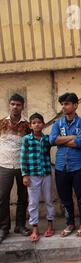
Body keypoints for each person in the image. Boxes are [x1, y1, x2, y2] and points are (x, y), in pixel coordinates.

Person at [49, 93, 81, 237]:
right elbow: (52, 140)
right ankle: (70, 223)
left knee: (80, 197)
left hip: (77, 165)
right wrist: (72, 137)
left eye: (66, 104)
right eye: (62, 104)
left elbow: (80, 142)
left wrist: (64, 140)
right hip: (60, 166)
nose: (64, 107)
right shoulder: (58, 123)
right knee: (65, 197)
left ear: (75, 105)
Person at [0, 94, 31, 243]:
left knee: (23, 197)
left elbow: (31, 145)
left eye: (18, 104)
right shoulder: (1, 123)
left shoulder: (28, 125)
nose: (15, 107)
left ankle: (20, 225)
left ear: (22, 106)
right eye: (12, 104)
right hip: (4, 165)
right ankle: (3, 228)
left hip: (22, 166)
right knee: (2, 197)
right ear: (9, 105)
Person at [21, 113, 55, 242]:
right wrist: (25, 175)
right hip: (32, 175)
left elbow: (56, 140)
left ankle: (50, 226)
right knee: (33, 203)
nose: (37, 125)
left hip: (46, 173)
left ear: (43, 124)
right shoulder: (26, 139)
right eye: (34, 123)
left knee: (49, 200)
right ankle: (35, 228)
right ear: (30, 125)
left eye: (39, 122)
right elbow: (23, 158)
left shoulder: (47, 139)